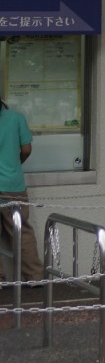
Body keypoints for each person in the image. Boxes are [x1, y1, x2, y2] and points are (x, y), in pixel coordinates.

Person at [0, 96, 44, 282]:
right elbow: (26, 149)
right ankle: (34, 276)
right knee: (21, 232)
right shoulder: (16, 118)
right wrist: (15, 165)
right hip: (13, 185)